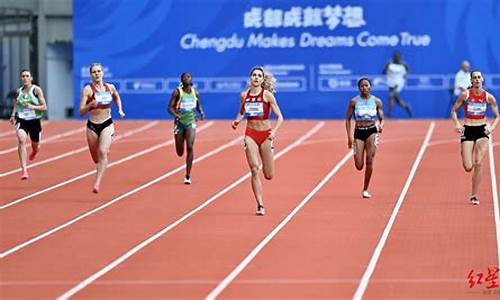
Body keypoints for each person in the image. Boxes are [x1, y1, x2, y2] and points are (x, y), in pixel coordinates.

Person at [231, 66, 284, 216]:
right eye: (254, 75)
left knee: (269, 175)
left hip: (266, 135)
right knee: (254, 169)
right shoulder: (244, 95)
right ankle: (260, 204)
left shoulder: (267, 95)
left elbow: (280, 117)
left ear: (262, 79)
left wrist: (274, 132)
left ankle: (269, 157)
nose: (256, 78)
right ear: (250, 78)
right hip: (250, 134)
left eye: (259, 76)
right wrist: (237, 121)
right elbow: (242, 111)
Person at [451, 70, 499, 205]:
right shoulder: (465, 95)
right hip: (468, 129)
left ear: (482, 79)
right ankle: (464, 154)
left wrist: (492, 127)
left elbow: (497, 116)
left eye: (479, 77)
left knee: (478, 162)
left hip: (482, 130)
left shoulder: (489, 97)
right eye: (474, 78)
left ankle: (474, 194)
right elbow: (454, 111)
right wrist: (457, 124)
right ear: (471, 81)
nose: (477, 79)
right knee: (468, 167)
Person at [79, 63, 125, 193]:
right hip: (92, 126)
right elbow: (81, 112)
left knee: (102, 152)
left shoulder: (110, 87)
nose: (97, 74)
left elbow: (116, 96)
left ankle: (97, 183)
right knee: (96, 158)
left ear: (103, 73)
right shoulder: (88, 90)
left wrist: (120, 109)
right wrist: (90, 105)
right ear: (90, 75)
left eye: (99, 71)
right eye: (94, 72)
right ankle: (102, 155)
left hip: (107, 124)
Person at [345, 77, 385, 198]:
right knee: (359, 165)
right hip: (359, 132)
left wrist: (381, 125)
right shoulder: (354, 102)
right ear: (359, 88)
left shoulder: (377, 101)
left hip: (372, 131)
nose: (364, 88)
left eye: (366, 85)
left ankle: (365, 189)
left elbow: (382, 118)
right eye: (362, 86)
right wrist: (349, 137)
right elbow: (347, 119)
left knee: (370, 160)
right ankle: (357, 154)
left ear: (370, 87)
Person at [9, 69, 47, 180]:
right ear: (21, 78)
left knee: (35, 146)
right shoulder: (18, 91)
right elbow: (16, 103)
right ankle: (24, 170)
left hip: (35, 120)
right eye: (23, 76)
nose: (25, 78)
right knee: (21, 140)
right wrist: (13, 115)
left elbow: (44, 107)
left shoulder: (36, 90)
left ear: (31, 78)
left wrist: (32, 107)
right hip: (22, 120)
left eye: (27, 76)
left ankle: (34, 151)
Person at [168, 72, 205, 184]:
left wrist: (201, 112)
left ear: (191, 80)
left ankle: (188, 175)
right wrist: (176, 115)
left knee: (190, 146)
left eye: (188, 77)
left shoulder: (195, 92)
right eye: (184, 77)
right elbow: (169, 107)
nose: (187, 78)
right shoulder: (177, 92)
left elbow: (198, 105)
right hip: (179, 123)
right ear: (182, 81)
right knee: (180, 152)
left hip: (190, 122)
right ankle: (179, 139)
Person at [383, 51, 412, 117]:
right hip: (391, 83)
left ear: (400, 57)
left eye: (398, 56)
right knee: (396, 100)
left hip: (399, 83)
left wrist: (405, 75)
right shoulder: (389, 63)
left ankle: (389, 114)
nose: (396, 58)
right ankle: (406, 106)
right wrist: (387, 72)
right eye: (395, 56)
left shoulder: (403, 64)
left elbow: (408, 71)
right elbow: (384, 71)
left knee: (391, 96)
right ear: (393, 57)